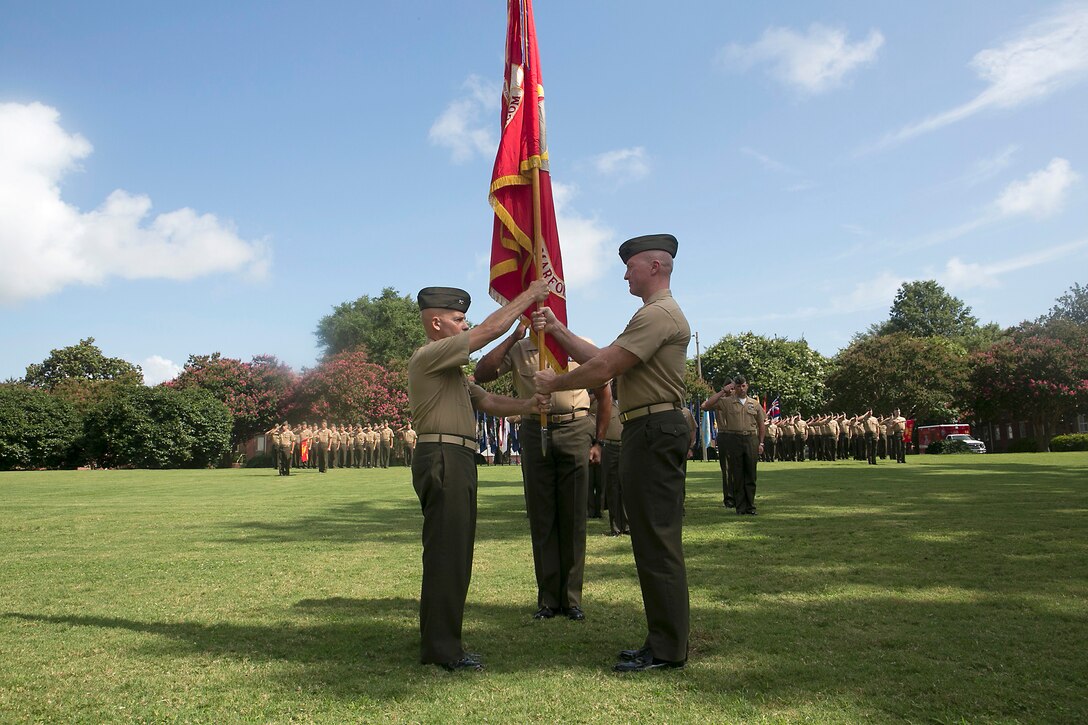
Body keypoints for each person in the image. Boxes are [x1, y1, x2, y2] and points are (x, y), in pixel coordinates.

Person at [533, 233, 690, 673]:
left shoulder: (659, 314)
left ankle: (667, 649)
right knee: (650, 539)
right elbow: (604, 355)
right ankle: (661, 640)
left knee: (657, 541)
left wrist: (554, 383)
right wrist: (558, 331)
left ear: (655, 267)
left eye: (631, 266)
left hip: (654, 429)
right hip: (647, 428)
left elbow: (603, 368)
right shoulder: (651, 316)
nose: (625, 273)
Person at [408, 281, 551, 673]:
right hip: (443, 456)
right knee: (447, 555)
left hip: (455, 457)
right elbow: (487, 333)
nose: (464, 324)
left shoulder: (449, 372)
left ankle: (443, 641)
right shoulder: (430, 356)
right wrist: (529, 296)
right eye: (458, 319)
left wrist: (527, 404)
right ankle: (442, 649)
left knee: (455, 554)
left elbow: (487, 401)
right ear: (436, 324)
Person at [475, 323, 611, 622]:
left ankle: (572, 599)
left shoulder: (579, 343)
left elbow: (604, 392)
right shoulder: (520, 348)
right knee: (542, 515)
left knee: (574, 516)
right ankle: (549, 599)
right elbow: (482, 373)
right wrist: (512, 336)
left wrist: (598, 441)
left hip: (575, 427)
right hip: (536, 430)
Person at [703, 375, 766, 515]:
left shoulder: (754, 404)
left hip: (750, 438)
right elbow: (706, 406)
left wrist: (761, 442)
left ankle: (750, 506)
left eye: (743, 386)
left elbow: (761, 424)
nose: (741, 389)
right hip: (734, 438)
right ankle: (741, 507)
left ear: (747, 386)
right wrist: (722, 391)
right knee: (737, 473)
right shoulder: (726, 402)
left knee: (750, 473)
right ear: (734, 387)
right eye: (737, 386)